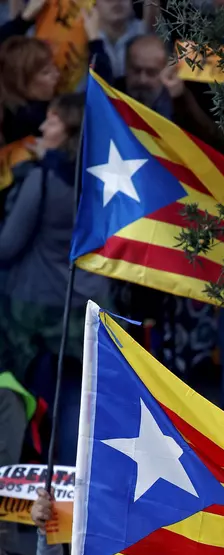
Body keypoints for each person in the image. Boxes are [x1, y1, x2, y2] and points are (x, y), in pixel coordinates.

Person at [0, 93, 109, 465]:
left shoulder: (44, 180)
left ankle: (22, 479)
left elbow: (8, 244)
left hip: (33, 307)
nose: (43, 127)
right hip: (85, 304)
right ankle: (66, 477)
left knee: (22, 396)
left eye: (52, 121)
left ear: (68, 130)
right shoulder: (105, 182)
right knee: (76, 399)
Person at [0, 36, 60, 144]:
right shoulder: (27, 120)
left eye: (54, 66)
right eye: (46, 72)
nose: (57, 74)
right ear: (22, 82)